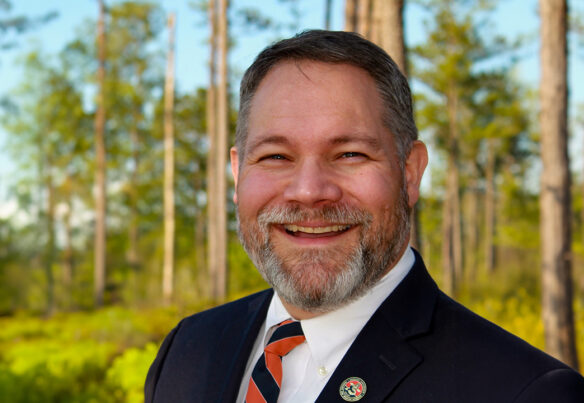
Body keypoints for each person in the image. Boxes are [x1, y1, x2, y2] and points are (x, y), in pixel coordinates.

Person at [145, 30, 584, 403]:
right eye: (276, 155)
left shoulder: (525, 391)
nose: (310, 191)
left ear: (410, 173)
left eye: (350, 153)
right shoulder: (188, 349)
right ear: (239, 173)